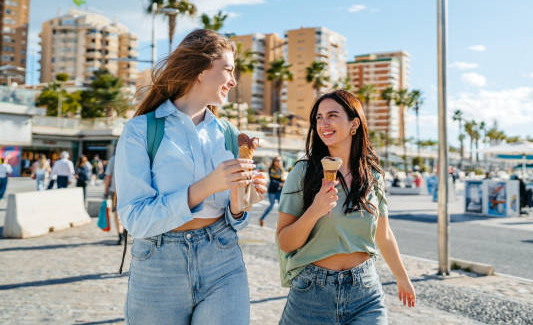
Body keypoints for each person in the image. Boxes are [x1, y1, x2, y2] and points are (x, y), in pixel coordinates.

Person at [115, 29, 267, 325]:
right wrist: (208, 185)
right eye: (228, 70)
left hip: (222, 257)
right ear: (200, 70)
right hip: (159, 264)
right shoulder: (140, 131)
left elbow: (236, 217)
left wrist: (243, 199)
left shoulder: (229, 134)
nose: (233, 81)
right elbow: (135, 218)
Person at [276, 90, 416, 324]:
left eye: (332, 115)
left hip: (366, 292)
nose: (324, 123)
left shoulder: (373, 176)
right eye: (319, 118)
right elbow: (285, 241)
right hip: (312, 294)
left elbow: (384, 234)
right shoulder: (303, 173)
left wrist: (402, 277)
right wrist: (315, 210)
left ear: (354, 124)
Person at [103, 155, 125, 245]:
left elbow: (108, 176)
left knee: (117, 213)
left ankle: (120, 234)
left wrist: (105, 191)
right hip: (129, 191)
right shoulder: (133, 156)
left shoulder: (113, 159)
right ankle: (124, 231)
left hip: (115, 190)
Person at [259, 156, 285, 227]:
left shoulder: (282, 170)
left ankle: (282, 222)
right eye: (277, 160)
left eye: (280, 160)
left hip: (279, 191)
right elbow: (272, 180)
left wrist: (284, 182)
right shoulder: (271, 169)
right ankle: (261, 218)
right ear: (274, 161)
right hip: (272, 191)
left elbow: (282, 179)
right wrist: (280, 183)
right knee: (271, 206)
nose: (278, 162)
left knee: (281, 207)